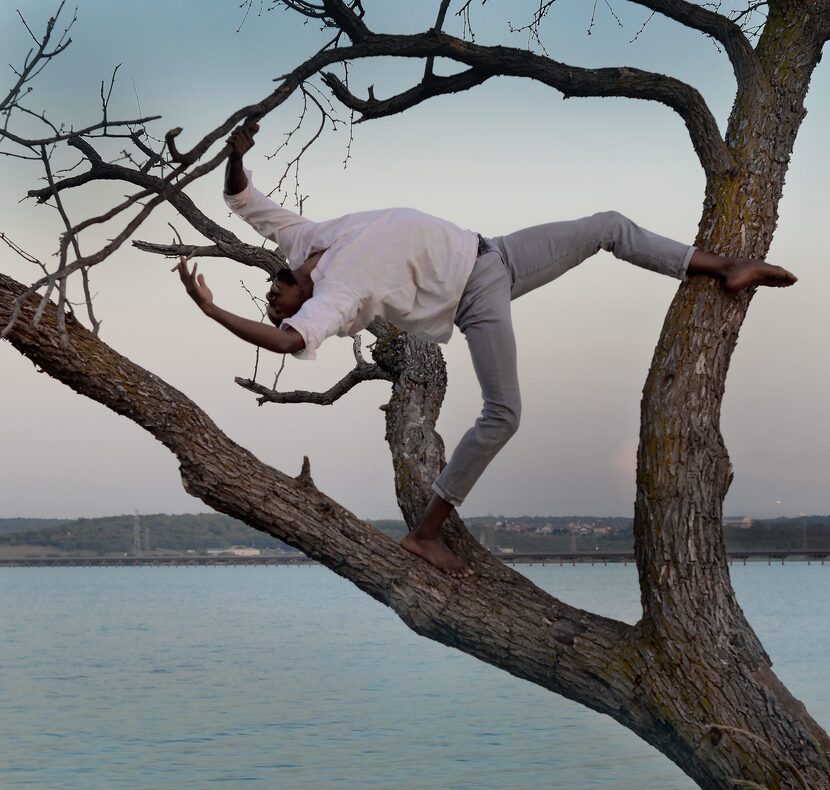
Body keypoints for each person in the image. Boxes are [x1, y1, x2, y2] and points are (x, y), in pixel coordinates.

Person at [177, 122, 797, 578]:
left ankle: (727, 267)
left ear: (285, 277)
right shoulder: (334, 297)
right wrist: (211, 312)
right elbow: (287, 342)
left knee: (608, 224)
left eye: (271, 296)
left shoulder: (305, 239)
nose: (275, 302)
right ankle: (426, 534)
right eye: (276, 308)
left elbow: (241, 200)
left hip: (494, 251)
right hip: (475, 294)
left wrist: (234, 154)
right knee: (504, 413)